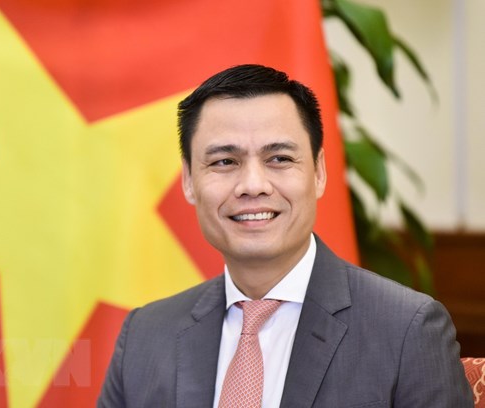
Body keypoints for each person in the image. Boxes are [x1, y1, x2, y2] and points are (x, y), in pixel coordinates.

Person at [98, 64, 472, 407]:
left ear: (319, 172)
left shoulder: (407, 330)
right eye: (225, 161)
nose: (253, 185)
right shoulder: (145, 337)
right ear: (189, 181)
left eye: (279, 159)